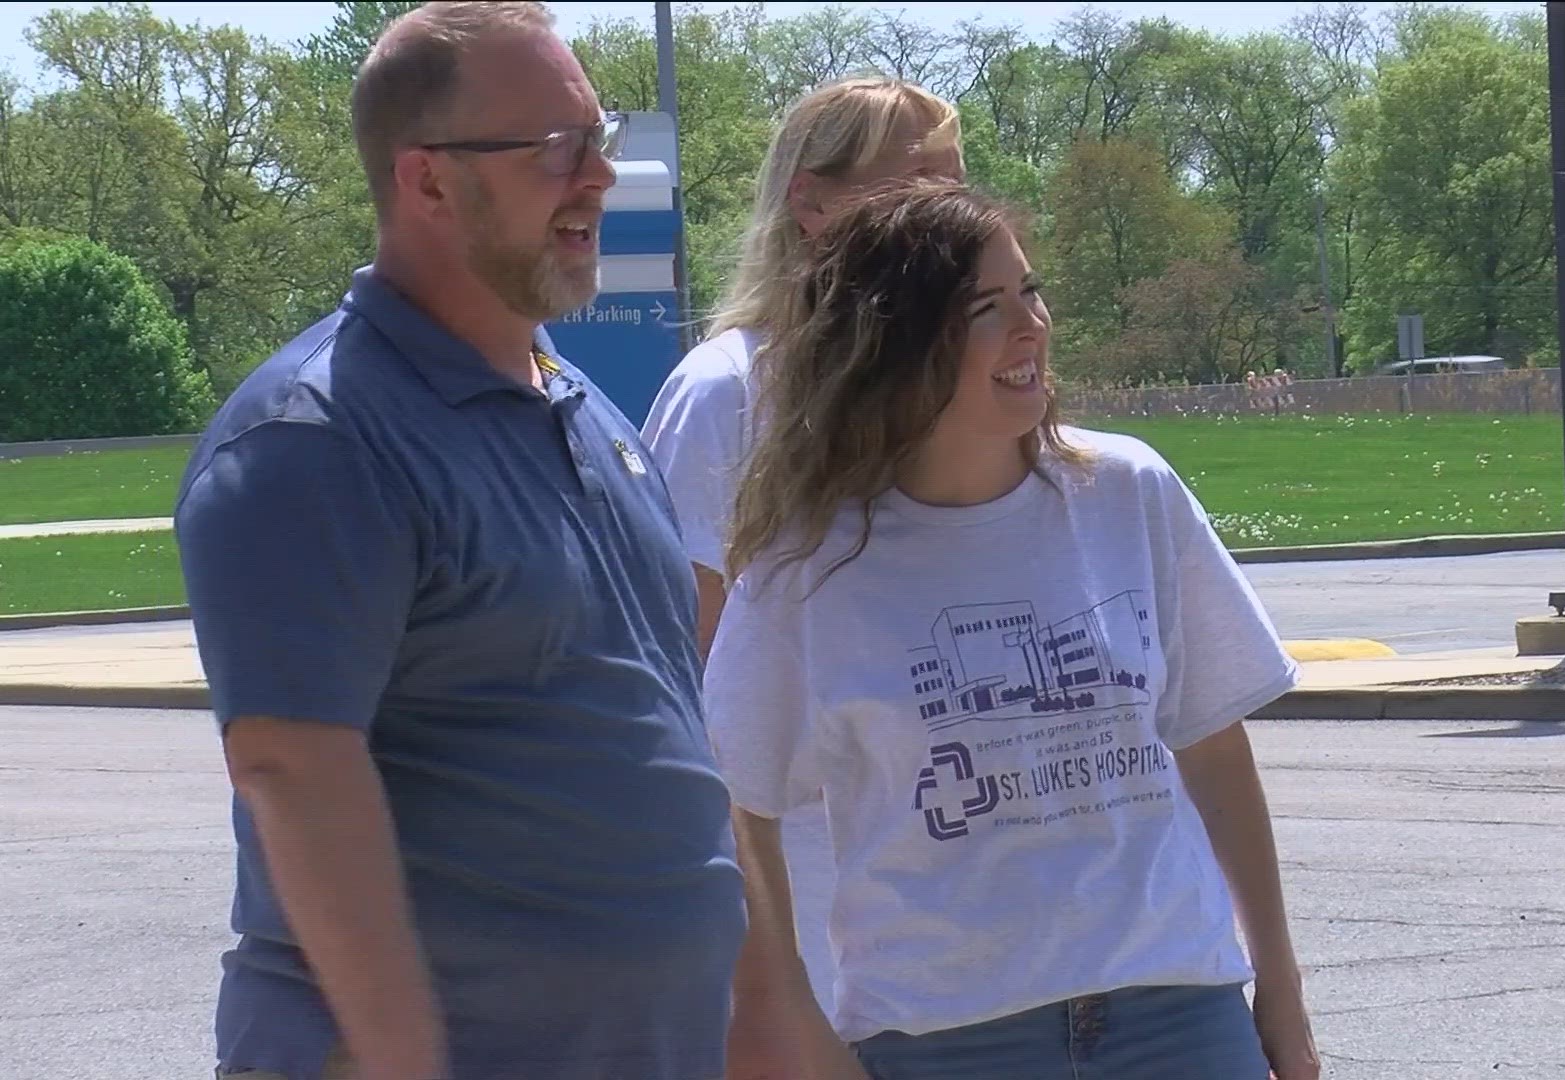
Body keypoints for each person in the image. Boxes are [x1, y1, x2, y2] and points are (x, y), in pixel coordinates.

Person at [172, 4, 743, 1078]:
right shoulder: (317, 440)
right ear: (427, 180)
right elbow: (292, 765)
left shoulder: (590, 416)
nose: (600, 177)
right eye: (557, 148)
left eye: (599, 137)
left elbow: (673, 733)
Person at [705, 180, 1322, 1080]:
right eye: (986, 308)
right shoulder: (807, 567)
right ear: (896, 343)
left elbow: (1214, 750)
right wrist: (790, 1020)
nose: (1031, 326)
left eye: (1029, 292)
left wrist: (1281, 983)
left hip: (1180, 1012)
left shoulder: (1128, 493)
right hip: (944, 1039)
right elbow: (734, 809)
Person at [636, 75, 965, 1013]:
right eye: (914, 180)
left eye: (957, 181)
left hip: (959, 871)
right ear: (811, 203)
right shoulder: (727, 393)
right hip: (807, 879)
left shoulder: (965, 389)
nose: (948, 209)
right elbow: (686, 672)